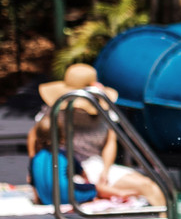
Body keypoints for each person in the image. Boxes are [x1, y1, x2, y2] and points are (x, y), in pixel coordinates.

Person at [30, 64, 166, 208]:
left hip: (94, 164)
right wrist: (34, 170)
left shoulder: (103, 109)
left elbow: (110, 141)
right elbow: (35, 137)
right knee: (145, 186)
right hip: (68, 166)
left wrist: (105, 171)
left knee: (151, 185)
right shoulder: (57, 110)